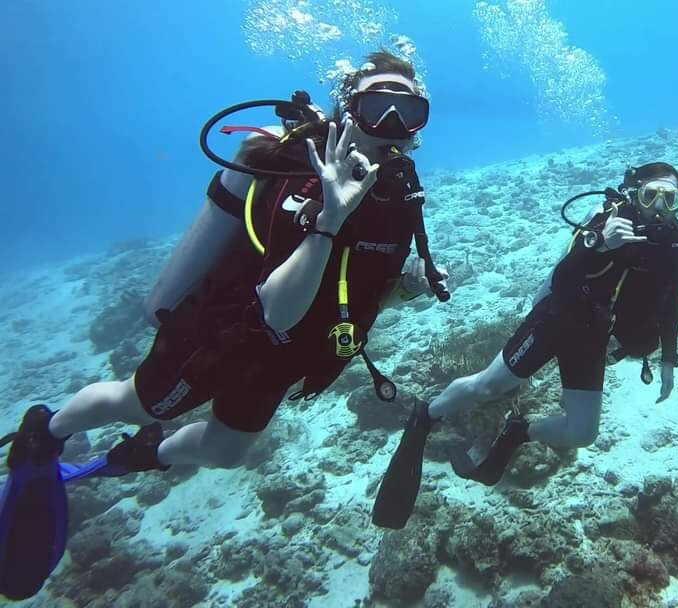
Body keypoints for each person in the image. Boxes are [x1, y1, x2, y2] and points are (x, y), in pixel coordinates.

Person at [0, 50, 449, 600]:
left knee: (226, 450)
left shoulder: (398, 191)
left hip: (286, 354)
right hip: (218, 335)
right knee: (137, 403)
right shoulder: (299, 179)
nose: (393, 128)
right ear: (348, 110)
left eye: (410, 112)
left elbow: (361, 292)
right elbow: (276, 310)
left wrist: (408, 287)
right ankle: (45, 435)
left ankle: (140, 455)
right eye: (378, 106)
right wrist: (330, 219)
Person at [372, 162, 678, 529]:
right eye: (650, 195)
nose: (658, 206)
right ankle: (427, 414)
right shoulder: (605, 223)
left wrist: (668, 361)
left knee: (582, 433)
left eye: (669, 198)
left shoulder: (675, 243)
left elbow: (670, 303)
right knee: (489, 386)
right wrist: (601, 246)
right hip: (557, 319)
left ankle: (518, 431)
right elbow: (563, 278)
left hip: (594, 338)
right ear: (633, 195)